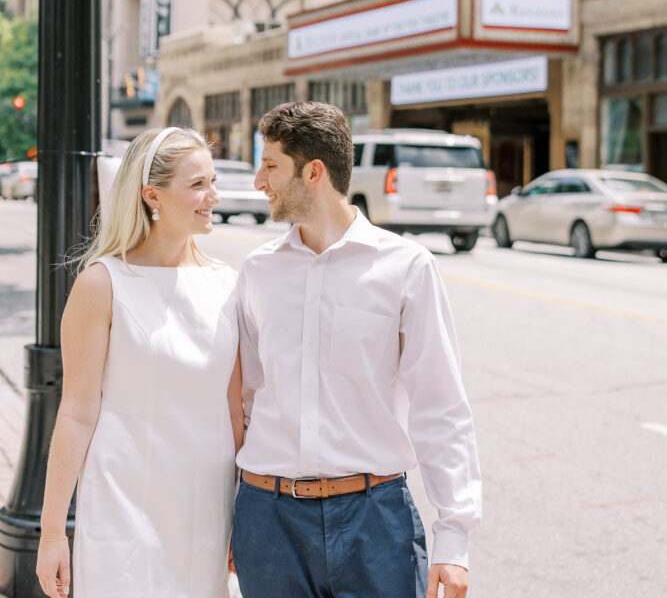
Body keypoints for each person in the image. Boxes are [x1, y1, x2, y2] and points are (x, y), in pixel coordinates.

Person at [232, 102, 482, 598]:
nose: (259, 181)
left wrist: (454, 538)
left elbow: (440, 404)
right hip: (268, 520)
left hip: (375, 522)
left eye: (271, 166)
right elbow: (245, 403)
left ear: (313, 172)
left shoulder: (407, 267)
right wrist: (232, 514)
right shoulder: (257, 271)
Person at [36, 127, 242, 598]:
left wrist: (244, 513)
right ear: (153, 196)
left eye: (212, 181)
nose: (213, 196)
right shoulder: (102, 283)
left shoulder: (227, 284)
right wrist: (52, 534)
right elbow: (77, 412)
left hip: (206, 509)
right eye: (198, 184)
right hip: (123, 506)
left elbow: (235, 412)